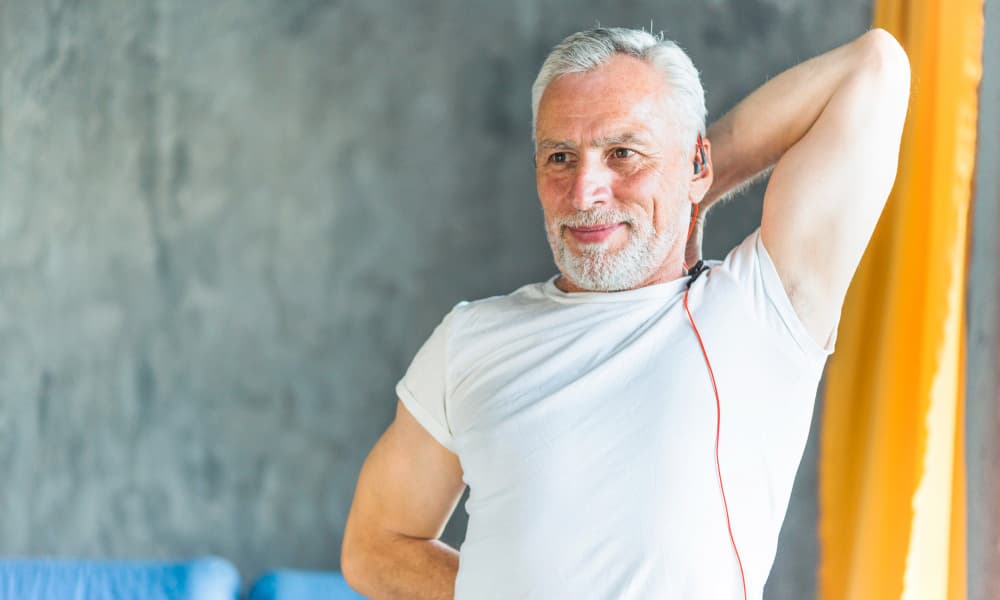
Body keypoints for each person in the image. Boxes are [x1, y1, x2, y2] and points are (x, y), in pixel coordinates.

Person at [341, 25, 910, 599]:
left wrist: (690, 198)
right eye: (560, 156)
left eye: (624, 154)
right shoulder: (469, 339)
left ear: (696, 163)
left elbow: (875, 68)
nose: (586, 191)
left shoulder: (757, 311)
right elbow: (375, 546)